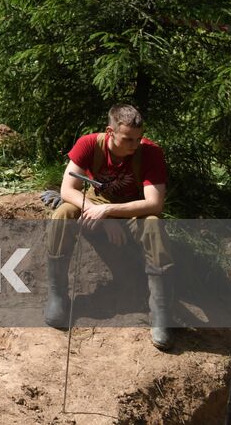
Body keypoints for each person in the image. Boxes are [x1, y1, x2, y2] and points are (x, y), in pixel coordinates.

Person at [44, 104, 173, 350]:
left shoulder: (150, 152)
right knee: (62, 213)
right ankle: (58, 294)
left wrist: (109, 213)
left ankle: (161, 312)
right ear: (110, 131)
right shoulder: (89, 144)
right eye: (128, 139)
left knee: (154, 226)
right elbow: (67, 190)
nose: (135, 144)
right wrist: (100, 213)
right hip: (94, 204)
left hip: (134, 211)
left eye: (138, 138)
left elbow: (154, 204)